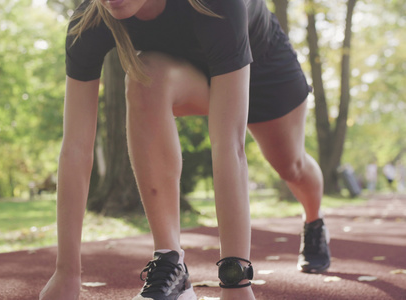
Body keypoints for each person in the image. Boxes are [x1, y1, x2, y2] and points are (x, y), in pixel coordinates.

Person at [39, 0, 330, 299]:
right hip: (191, 75)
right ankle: (170, 264)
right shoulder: (90, 21)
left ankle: (313, 219)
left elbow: (229, 144)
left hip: (263, 71)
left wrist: (236, 282)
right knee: (144, 77)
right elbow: (75, 148)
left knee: (291, 166)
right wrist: (66, 272)